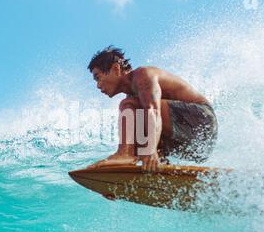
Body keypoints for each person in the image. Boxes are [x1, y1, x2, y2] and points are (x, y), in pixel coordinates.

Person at [87, 46, 218, 172]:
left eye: (98, 78)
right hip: (197, 146)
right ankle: (158, 168)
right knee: (141, 143)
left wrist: (150, 149)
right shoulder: (134, 101)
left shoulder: (143, 75)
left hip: (202, 122)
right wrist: (116, 181)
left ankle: (124, 153)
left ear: (116, 69)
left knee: (131, 107)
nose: (98, 86)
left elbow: (153, 111)